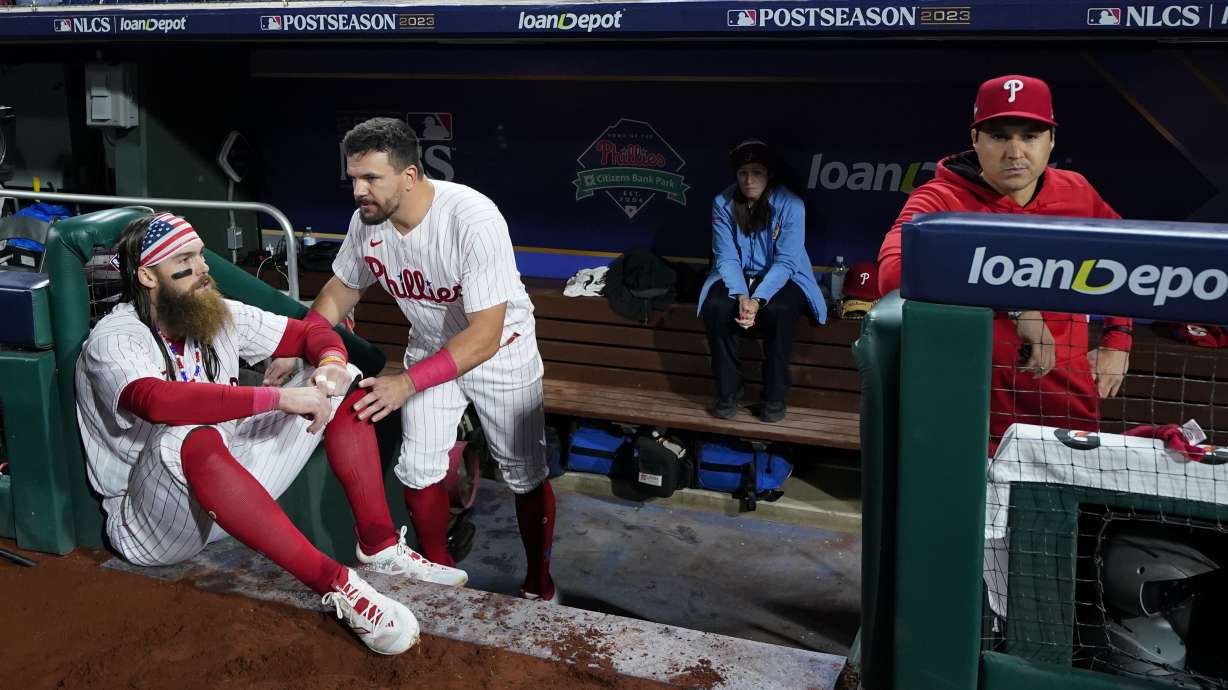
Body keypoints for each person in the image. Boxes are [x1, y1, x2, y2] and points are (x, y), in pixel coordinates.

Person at [76, 212, 468, 657]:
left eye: (201, 256)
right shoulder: (115, 338)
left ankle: (377, 545)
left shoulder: (215, 314)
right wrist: (277, 398)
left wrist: (331, 366)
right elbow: (157, 401)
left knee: (344, 383)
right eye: (186, 259)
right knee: (186, 435)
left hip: (228, 493)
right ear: (148, 275)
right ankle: (338, 586)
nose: (204, 268)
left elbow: (311, 334)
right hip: (156, 521)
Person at [266, 117, 558, 602]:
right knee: (418, 469)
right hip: (429, 347)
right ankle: (437, 577)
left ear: (410, 176)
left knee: (524, 472)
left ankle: (539, 586)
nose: (359, 190)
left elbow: (484, 335)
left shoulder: (472, 218)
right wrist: (301, 343)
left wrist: (405, 383)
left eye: (371, 179)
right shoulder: (368, 221)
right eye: (354, 178)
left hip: (500, 352)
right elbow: (341, 290)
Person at [877, 74, 1133, 453]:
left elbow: (1131, 258)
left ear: (1051, 141)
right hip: (968, 408)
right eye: (999, 136)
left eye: (1029, 136)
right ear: (975, 140)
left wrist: (1119, 341)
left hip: (1065, 406)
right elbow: (891, 274)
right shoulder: (940, 199)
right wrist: (1015, 303)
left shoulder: (1076, 192)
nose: (1015, 152)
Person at [698, 139, 827, 423]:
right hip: (738, 274)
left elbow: (786, 263)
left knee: (779, 311)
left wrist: (757, 300)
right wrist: (741, 295)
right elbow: (726, 257)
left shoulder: (791, 204)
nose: (749, 179)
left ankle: (774, 396)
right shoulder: (723, 202)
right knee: (718, 306)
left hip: (784, 275)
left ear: (769, 174)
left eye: (757, 171)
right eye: (743, 172)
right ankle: (728, 392)